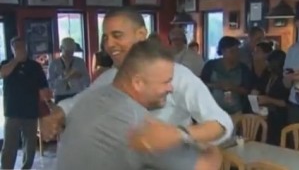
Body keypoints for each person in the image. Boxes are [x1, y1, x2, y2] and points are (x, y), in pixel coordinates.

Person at [41, 7, 233, 153]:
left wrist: (179, 135)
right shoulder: (109, 77)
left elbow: (221, 124)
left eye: (117, 36)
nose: (109, 44)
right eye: (106, 38)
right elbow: (78, 103)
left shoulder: (177, 75)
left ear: (141, 35)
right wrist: (56, 115)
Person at [56, 40, 222, 170]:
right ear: (138, 83)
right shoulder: (137, 122)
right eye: (165, 82)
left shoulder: (90, 98)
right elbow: (205, 166)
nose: (171, 88)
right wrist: (208, 144)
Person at [0, 36, 50, 169]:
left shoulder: (35, 66)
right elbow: (2, 74)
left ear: (26, 48)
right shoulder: (7, 63)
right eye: (17, 47)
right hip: (12, 112)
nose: (20, 50)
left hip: (30, 112)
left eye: (22, 47)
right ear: (12, 49)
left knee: (30, 146)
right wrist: (16, 60)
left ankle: (26, 167)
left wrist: (47, 101)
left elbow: (43, 88)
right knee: (9, 146)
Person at [48, 37, 90, 103]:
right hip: (60, 95)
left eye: (72, 51)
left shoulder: (80, 62)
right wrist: (62, 77)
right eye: (67, 51)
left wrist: (80, 76)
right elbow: (50, 85)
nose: (70, 54)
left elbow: (87, 82)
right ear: (61, 48)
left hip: (77, 94)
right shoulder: (54, 64)